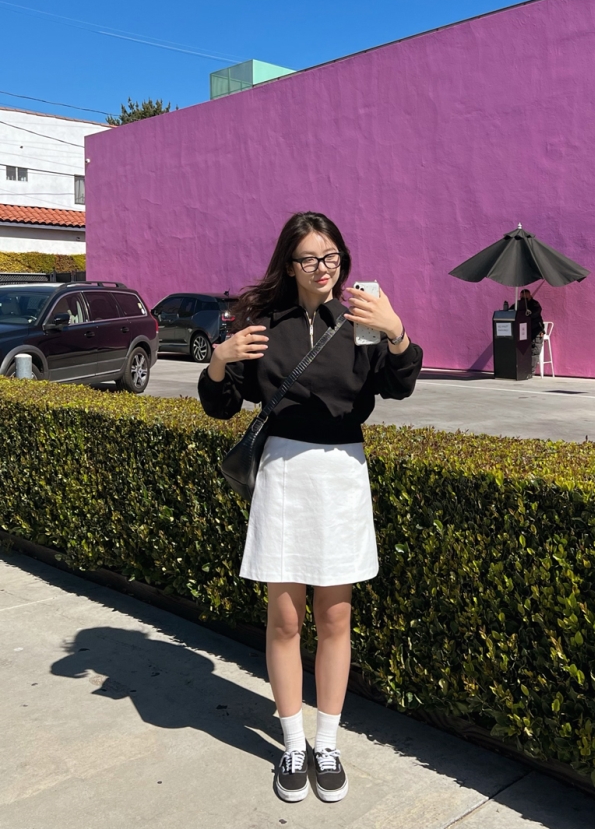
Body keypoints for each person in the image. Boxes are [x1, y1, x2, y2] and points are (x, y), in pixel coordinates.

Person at [198, 212, 423, 804]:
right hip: (284, 478)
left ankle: (328, 743)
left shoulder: (361, 321)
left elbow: (400, 385)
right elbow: (222, 404)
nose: (323, 269)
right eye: (309, 259)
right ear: (290, 265)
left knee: (335, 618)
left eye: (331, 257)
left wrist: (396, 331)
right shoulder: (264, 325)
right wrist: (220, 359)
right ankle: (293, 744)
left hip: (341, 476)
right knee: (284, 620)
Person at [510, 288, 545, 373]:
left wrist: (526, 312)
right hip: (523, 332)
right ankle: (521, 369)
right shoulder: (518, 304)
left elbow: (534, 314)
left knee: (534, 350)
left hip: (535, 330)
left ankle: (530, 371)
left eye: (525, 297)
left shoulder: (535, 304)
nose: (523, 299)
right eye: (522, 297)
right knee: (521, 351)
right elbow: (511, 312)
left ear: (530, 296)